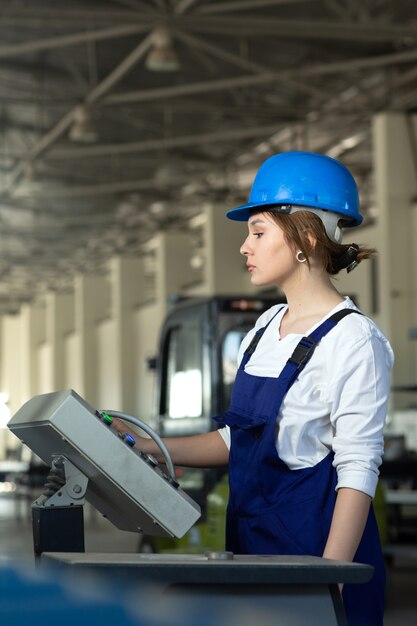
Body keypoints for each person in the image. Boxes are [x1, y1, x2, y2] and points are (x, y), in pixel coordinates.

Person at [115, 151, 393, 626]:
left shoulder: (354, 340)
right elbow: (238, 440)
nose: (245, 247)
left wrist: (329, 586)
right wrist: (145, 447)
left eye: (258, 232)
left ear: (307, 236)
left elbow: (358, 469)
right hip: (249, 553)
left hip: (315, 561)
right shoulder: (264, 329)